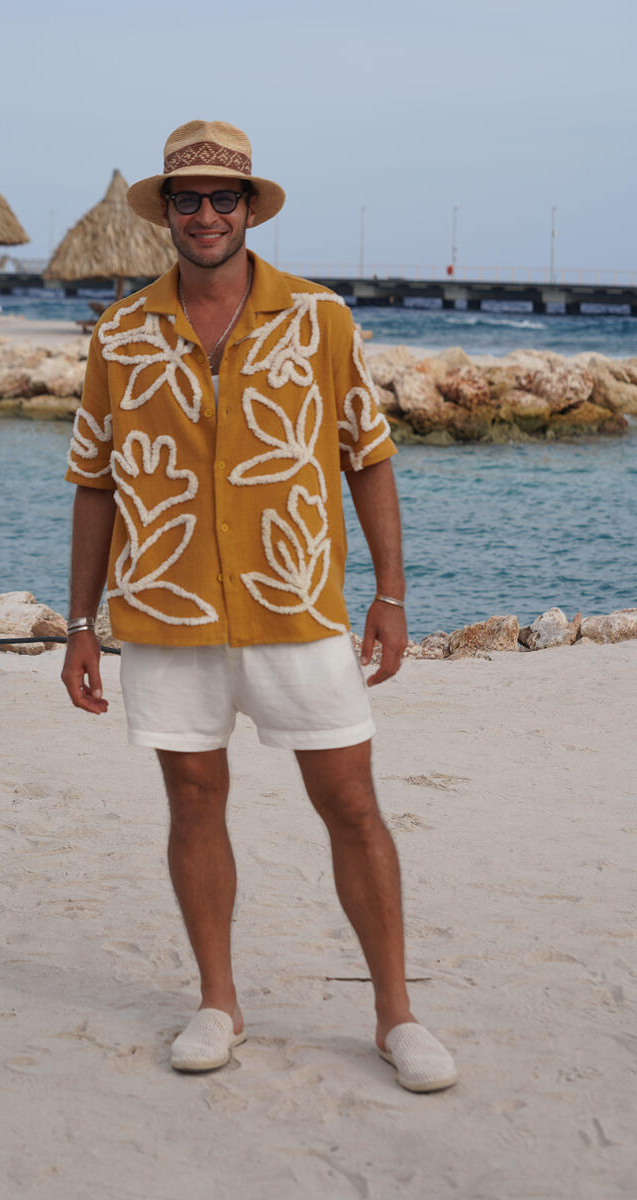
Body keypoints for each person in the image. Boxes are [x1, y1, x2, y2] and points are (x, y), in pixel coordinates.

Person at [61, 120, 457, 1093]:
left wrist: (390, 594)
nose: (203, 215)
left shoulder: (317, 320)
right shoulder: (119, 334)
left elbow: (366, 458)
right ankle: (217, 1001)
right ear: (166, 212)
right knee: (193, 799)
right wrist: (77, 625)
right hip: (163, 610)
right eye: (186, 199)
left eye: (221, 198)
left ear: (247, 208)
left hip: (295, 605)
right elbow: (93, 482)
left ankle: (394, 1015)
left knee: (351, 804)